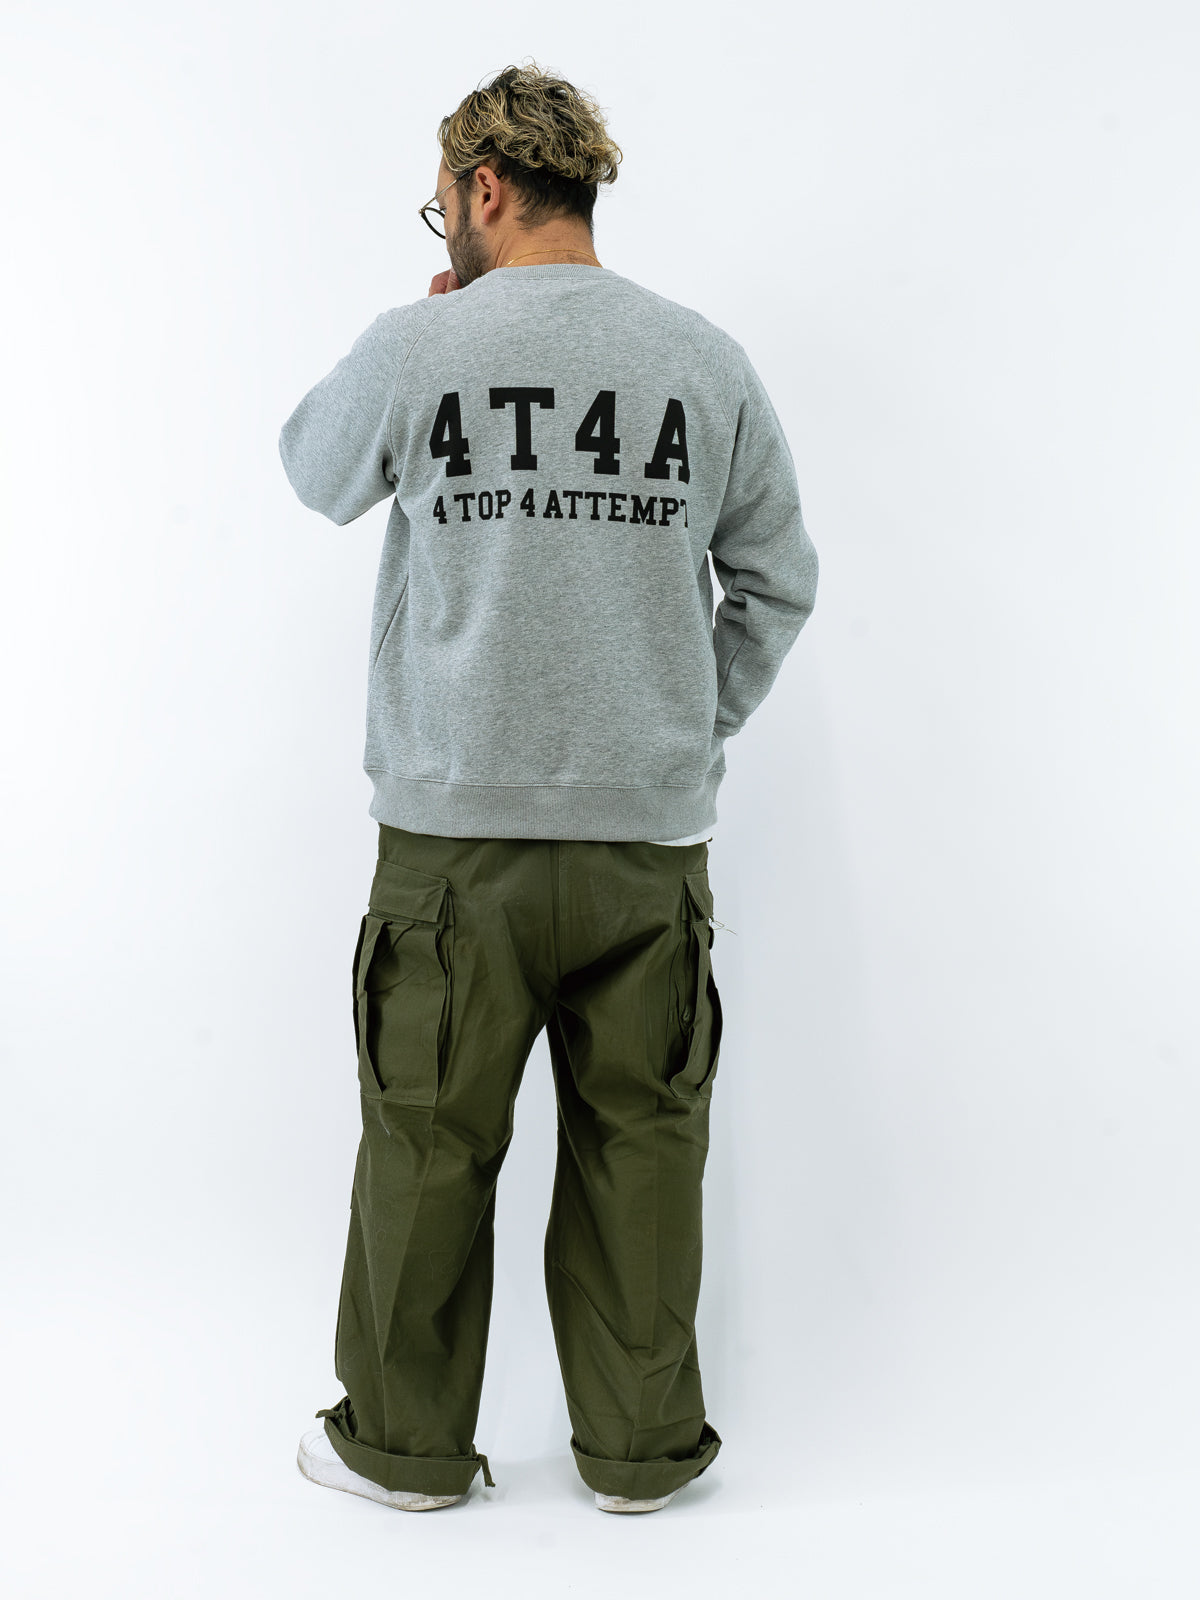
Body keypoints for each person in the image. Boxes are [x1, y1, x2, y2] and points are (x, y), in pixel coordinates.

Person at [278, 60, 819, 1515]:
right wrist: (687, 732)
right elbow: (780, 581)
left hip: (454, 855)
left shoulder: (420, 344)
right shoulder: (702, 360)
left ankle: (403, 1448)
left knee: (425, 1141)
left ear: (486, 189)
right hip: (646, 851)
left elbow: (314, 471)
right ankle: (639, 1457)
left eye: (441, 206)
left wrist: (426, 331)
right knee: (645, 1147)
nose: (444, 229)